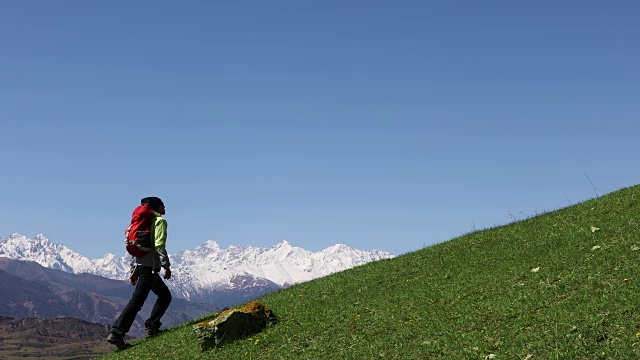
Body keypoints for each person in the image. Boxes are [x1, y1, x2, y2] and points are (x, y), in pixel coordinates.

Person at [107, 196, 172, 349]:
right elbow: (159, 245)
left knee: (164, 296)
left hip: (144, 267)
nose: (165, 208)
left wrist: (133, 270)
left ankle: (152, 326)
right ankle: (116, 333)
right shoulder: (159, 222)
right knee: (136, 302)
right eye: (163, 205)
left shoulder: (141, 223)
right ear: (157, 207)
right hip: (149, 269)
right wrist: (166, 266)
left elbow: (135, 249)